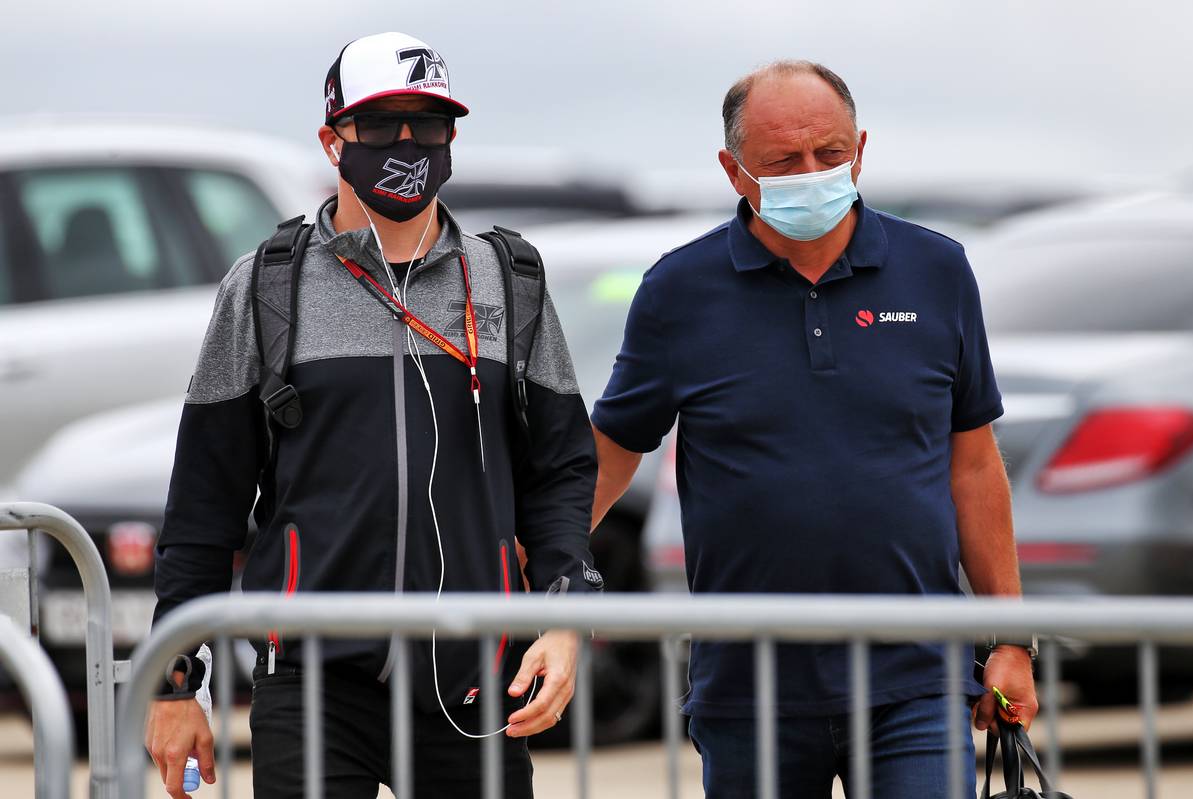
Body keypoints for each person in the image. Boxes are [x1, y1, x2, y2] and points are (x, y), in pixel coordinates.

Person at [144, 31, 601, 799]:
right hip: (313, 685)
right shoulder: (264, 287)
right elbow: (204, 501)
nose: (408, 142)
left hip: (472, 680)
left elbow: (560, 469)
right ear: (332, 139)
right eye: (382, 122)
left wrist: (566, 617)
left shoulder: (509, 280)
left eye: (429, 123)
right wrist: (173, 681)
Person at [590, 60, 1037, 798]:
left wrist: (1011, 641)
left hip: (914, 680)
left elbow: (974, 466)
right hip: (749, 689)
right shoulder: (678, 290)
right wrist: (530, 581)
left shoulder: (938, 270)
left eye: (829, 155)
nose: (812, 173)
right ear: (735, 172)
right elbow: (611, 451)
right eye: (783, 162)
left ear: (860, 149)